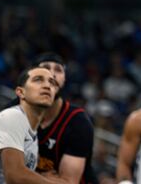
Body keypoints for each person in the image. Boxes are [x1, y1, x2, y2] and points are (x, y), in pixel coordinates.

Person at [0, 66, 66, 184]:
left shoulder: (32, 137)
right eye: (38, 80)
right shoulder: (13, 116)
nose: (47, 85)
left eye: (52, 82)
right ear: (20, 92)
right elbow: (15, 176)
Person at [33, 53, 98, 184]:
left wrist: (21, 173)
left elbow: (68, 182)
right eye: (45, 68)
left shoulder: (78, 121)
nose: (52, 74)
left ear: (64, 80)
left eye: (58, 70)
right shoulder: (15, 110)